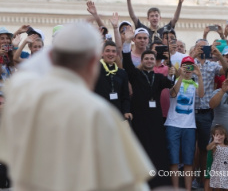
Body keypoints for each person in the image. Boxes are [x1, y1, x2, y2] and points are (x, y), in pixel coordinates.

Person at [0, 22, 154, 191]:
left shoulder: (24, 99)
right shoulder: (99, 112)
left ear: (51, 57)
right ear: (93, 63)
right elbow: (128, 183)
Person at [122, 27, 176, 188]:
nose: (149, 61)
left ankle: (158, 182)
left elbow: (170, 83)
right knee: (141, 148)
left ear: (154, 61)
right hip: (139, 118)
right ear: (143, 61)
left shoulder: (159, 77)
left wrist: (172, 72)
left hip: (155, 119)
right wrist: (126, 42)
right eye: (146, 59)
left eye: (152, 59)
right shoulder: (136, 74)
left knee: (157, 149)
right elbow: (126, 62)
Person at [190, 39, 228, 188]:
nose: (202, 50)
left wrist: (218, 54)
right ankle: (191, 178)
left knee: (204, 148)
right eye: (199, 47)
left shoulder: (212, 65)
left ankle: (201, 179)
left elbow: (226, 71)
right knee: (190, 149)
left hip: (206, 113)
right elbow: (179, 72)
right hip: (189, 112)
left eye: (204, 47)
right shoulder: (189, 63)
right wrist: (192, 55)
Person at [164, 56, 204, 191]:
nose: (188, 69)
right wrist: (180, 76)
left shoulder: (195, 84)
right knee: (173, 160)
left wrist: (199, 76)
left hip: (189, 126)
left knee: (188, 161)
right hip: (173, 124)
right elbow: (173, 94)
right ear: (181, 67)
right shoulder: (174, 80)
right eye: (185, 66)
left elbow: (202, 95)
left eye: (190, 66)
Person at [94, 40, 132, 119]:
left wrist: (126, 111)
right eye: (107, 51)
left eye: (113, 51)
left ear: (117, 54)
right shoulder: (95, 69)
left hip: (117, 113)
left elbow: (125, 95)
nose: (110, 54)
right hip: (98, 112)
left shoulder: (122, 73)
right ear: (102, 53)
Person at [206, 125, 228, 190]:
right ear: (214, 136)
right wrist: (214, 141)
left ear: (225, 136)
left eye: (221, 134)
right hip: (218, 169)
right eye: (217, 135)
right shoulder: (214, 146)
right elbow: (208, 148)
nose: (219, 136)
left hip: (226, 168)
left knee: (226, 186)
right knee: (218, 186)